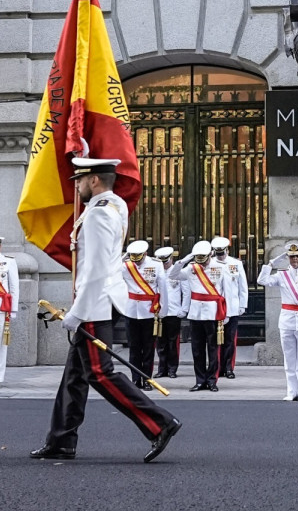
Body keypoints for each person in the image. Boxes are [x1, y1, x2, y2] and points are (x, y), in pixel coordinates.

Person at [31, 157, 181, 463]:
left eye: (80, 179)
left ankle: (159, 423)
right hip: (103, 298)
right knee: (75, 374)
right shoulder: (115, 205)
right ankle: (61, 439)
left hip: (96, 302)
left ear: (95, 180)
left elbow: (96, 269)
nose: (76, 185)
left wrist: (77, 312)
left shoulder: (98, 215)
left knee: (100, 373)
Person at [258, 243, 298, 401]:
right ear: (288, 258)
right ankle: (291, 391)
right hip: (287, 320)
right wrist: (271, 263)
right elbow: (262, 280)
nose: (295, 259)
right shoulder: (282, 274)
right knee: (289, 359)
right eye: (291, 256)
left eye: (297, 256)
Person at [169, 240, 235, 392]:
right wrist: (186, 259)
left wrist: (227, 314)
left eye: (203, 259)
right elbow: (173, 275)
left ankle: (212, 380)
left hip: (213, 312)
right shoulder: (191, 268)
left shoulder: (221, 268)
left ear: (210, 255)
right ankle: (199, 380)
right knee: (197, 350)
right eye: (199, 259)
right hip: (196, 313)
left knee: (213, 349)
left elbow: (228, 292)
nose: (202, 263)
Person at [120, 240, 168, 390]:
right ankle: (135, 379)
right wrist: (124, 257)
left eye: (139, 258)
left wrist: (163, 310)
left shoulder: (156, 264)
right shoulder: (125, 265)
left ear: (145, 254)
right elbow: (110, 271)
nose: (137, 262)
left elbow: (163, 288)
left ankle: (147, 379)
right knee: (134, 348)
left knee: (148, 348)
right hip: (131, 311)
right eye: (133, 257)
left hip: (149, 311)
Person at [211, 237, 249, 380]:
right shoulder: (210, 264)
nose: (220, 256)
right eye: (218, 253)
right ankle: (216, 368)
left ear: (227, 250)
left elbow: (242, 286)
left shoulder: (236, 264)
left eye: (222, 253)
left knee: (229, 340)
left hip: (232, 308)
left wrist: (242, 305)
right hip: (215, 309)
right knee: (214, 341)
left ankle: (228, 368)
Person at [153, 247, 188, 379]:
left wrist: (183, 309)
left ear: (171, 259)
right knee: (160, 342)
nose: (164, 265)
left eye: (166, 262)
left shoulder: (178, 272)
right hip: (159, 312)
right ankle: (162, 369)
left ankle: (172, 369)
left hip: (174, 312)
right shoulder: (157, 272)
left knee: (173, 342)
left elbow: (186, 291)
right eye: (161, 262)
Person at [0, 236, 19, 383]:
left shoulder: (8, 262)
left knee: (1, 345)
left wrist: (13, 310)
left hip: (1, 309)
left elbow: (14, 287)